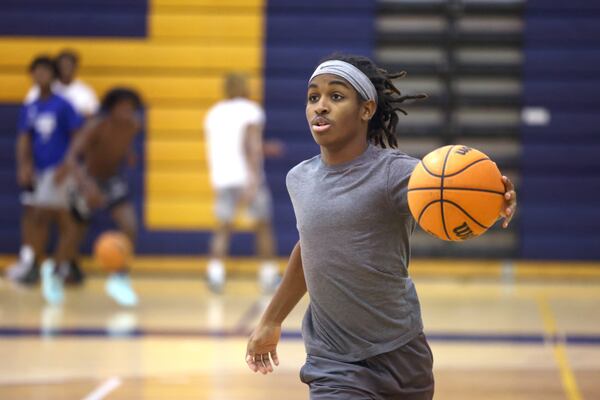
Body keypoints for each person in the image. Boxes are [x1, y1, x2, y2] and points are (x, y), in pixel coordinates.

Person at [245, 54, 518, 399]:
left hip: (401, 353)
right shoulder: (299, 179)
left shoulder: (399, 174)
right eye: (313, 97)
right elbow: (310, 249)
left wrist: (495, 200)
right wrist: (271, 319)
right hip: (333, 361)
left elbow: (457, 194)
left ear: (367, 109)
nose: (321, 107)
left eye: (336, 96)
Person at [8, 49, 98, 285]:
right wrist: (24, 165)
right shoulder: (31, 106)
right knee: (55, 218)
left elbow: (79, 136)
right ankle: (59, 265)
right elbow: (24, 138)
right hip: (40, 170)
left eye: (46, 72)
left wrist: (68, 164)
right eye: (37, 71)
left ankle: (50, 265)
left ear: (53, 76)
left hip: (58, 171)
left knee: (47, 217)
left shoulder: (63, 105)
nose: (41, 76)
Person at [52, 87, 143, 307]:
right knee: (75, 232)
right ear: (111, 109)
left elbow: (121, 145)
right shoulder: (96, 126)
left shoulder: (133, 125)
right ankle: (54, 273)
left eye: (130, 108)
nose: (126, 112)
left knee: (130, 225)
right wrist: (87, 185)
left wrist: (129, 154)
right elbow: (72, 158)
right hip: (85, 178)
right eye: (121, 107)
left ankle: (119, 276)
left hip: (111, 179)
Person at [204, 73, 279, 293]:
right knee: (262, 226)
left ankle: (215, 274)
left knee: (223, 227)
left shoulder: (213, 113)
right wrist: (253, 180)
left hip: (222, 177)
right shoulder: (250, 110)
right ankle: (268, 275)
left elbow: (223, 146)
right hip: (247, 176)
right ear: (244, 87)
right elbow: (250, 144)